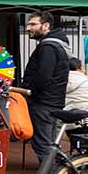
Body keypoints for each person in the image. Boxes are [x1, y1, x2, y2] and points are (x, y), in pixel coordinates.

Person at [22, 11, 71, 160]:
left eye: (33, 24)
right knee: (49, 145)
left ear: (46, 26)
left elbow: (43, 76)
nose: (28, 28)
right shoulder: (57, 44)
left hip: (44, 103)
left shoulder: (48, 47)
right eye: (27, 24)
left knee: (42, 145)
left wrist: (31, 93)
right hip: (54, 101)